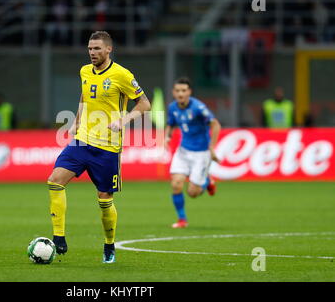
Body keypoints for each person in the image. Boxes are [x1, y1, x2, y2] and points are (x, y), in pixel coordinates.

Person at [46, 31, 151, 263]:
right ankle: (59, 237)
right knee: (55, 180)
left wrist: (123, 120)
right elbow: (84, 96)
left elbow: (145, 103)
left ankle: (109, 244)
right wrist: (76, 121)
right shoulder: (85, 71)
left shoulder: (122, 75)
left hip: (108, 148)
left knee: (104, 201)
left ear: (108, 50)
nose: (92, 53)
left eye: (97, 49)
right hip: (82, 141)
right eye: (90, 49)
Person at [164, 77, 221, 229]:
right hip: (183, 151)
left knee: (193, 193)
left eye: (183, 90)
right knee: (176, 184)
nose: (180, 94)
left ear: (189, 92)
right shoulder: (172, 108)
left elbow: (215, 125)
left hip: (201, 155)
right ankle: (182, 220)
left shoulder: (198, 108)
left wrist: (212, 148)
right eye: (177, 91)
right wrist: (167, 136)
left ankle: (208, 181)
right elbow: (170, 124)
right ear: (173, 92)